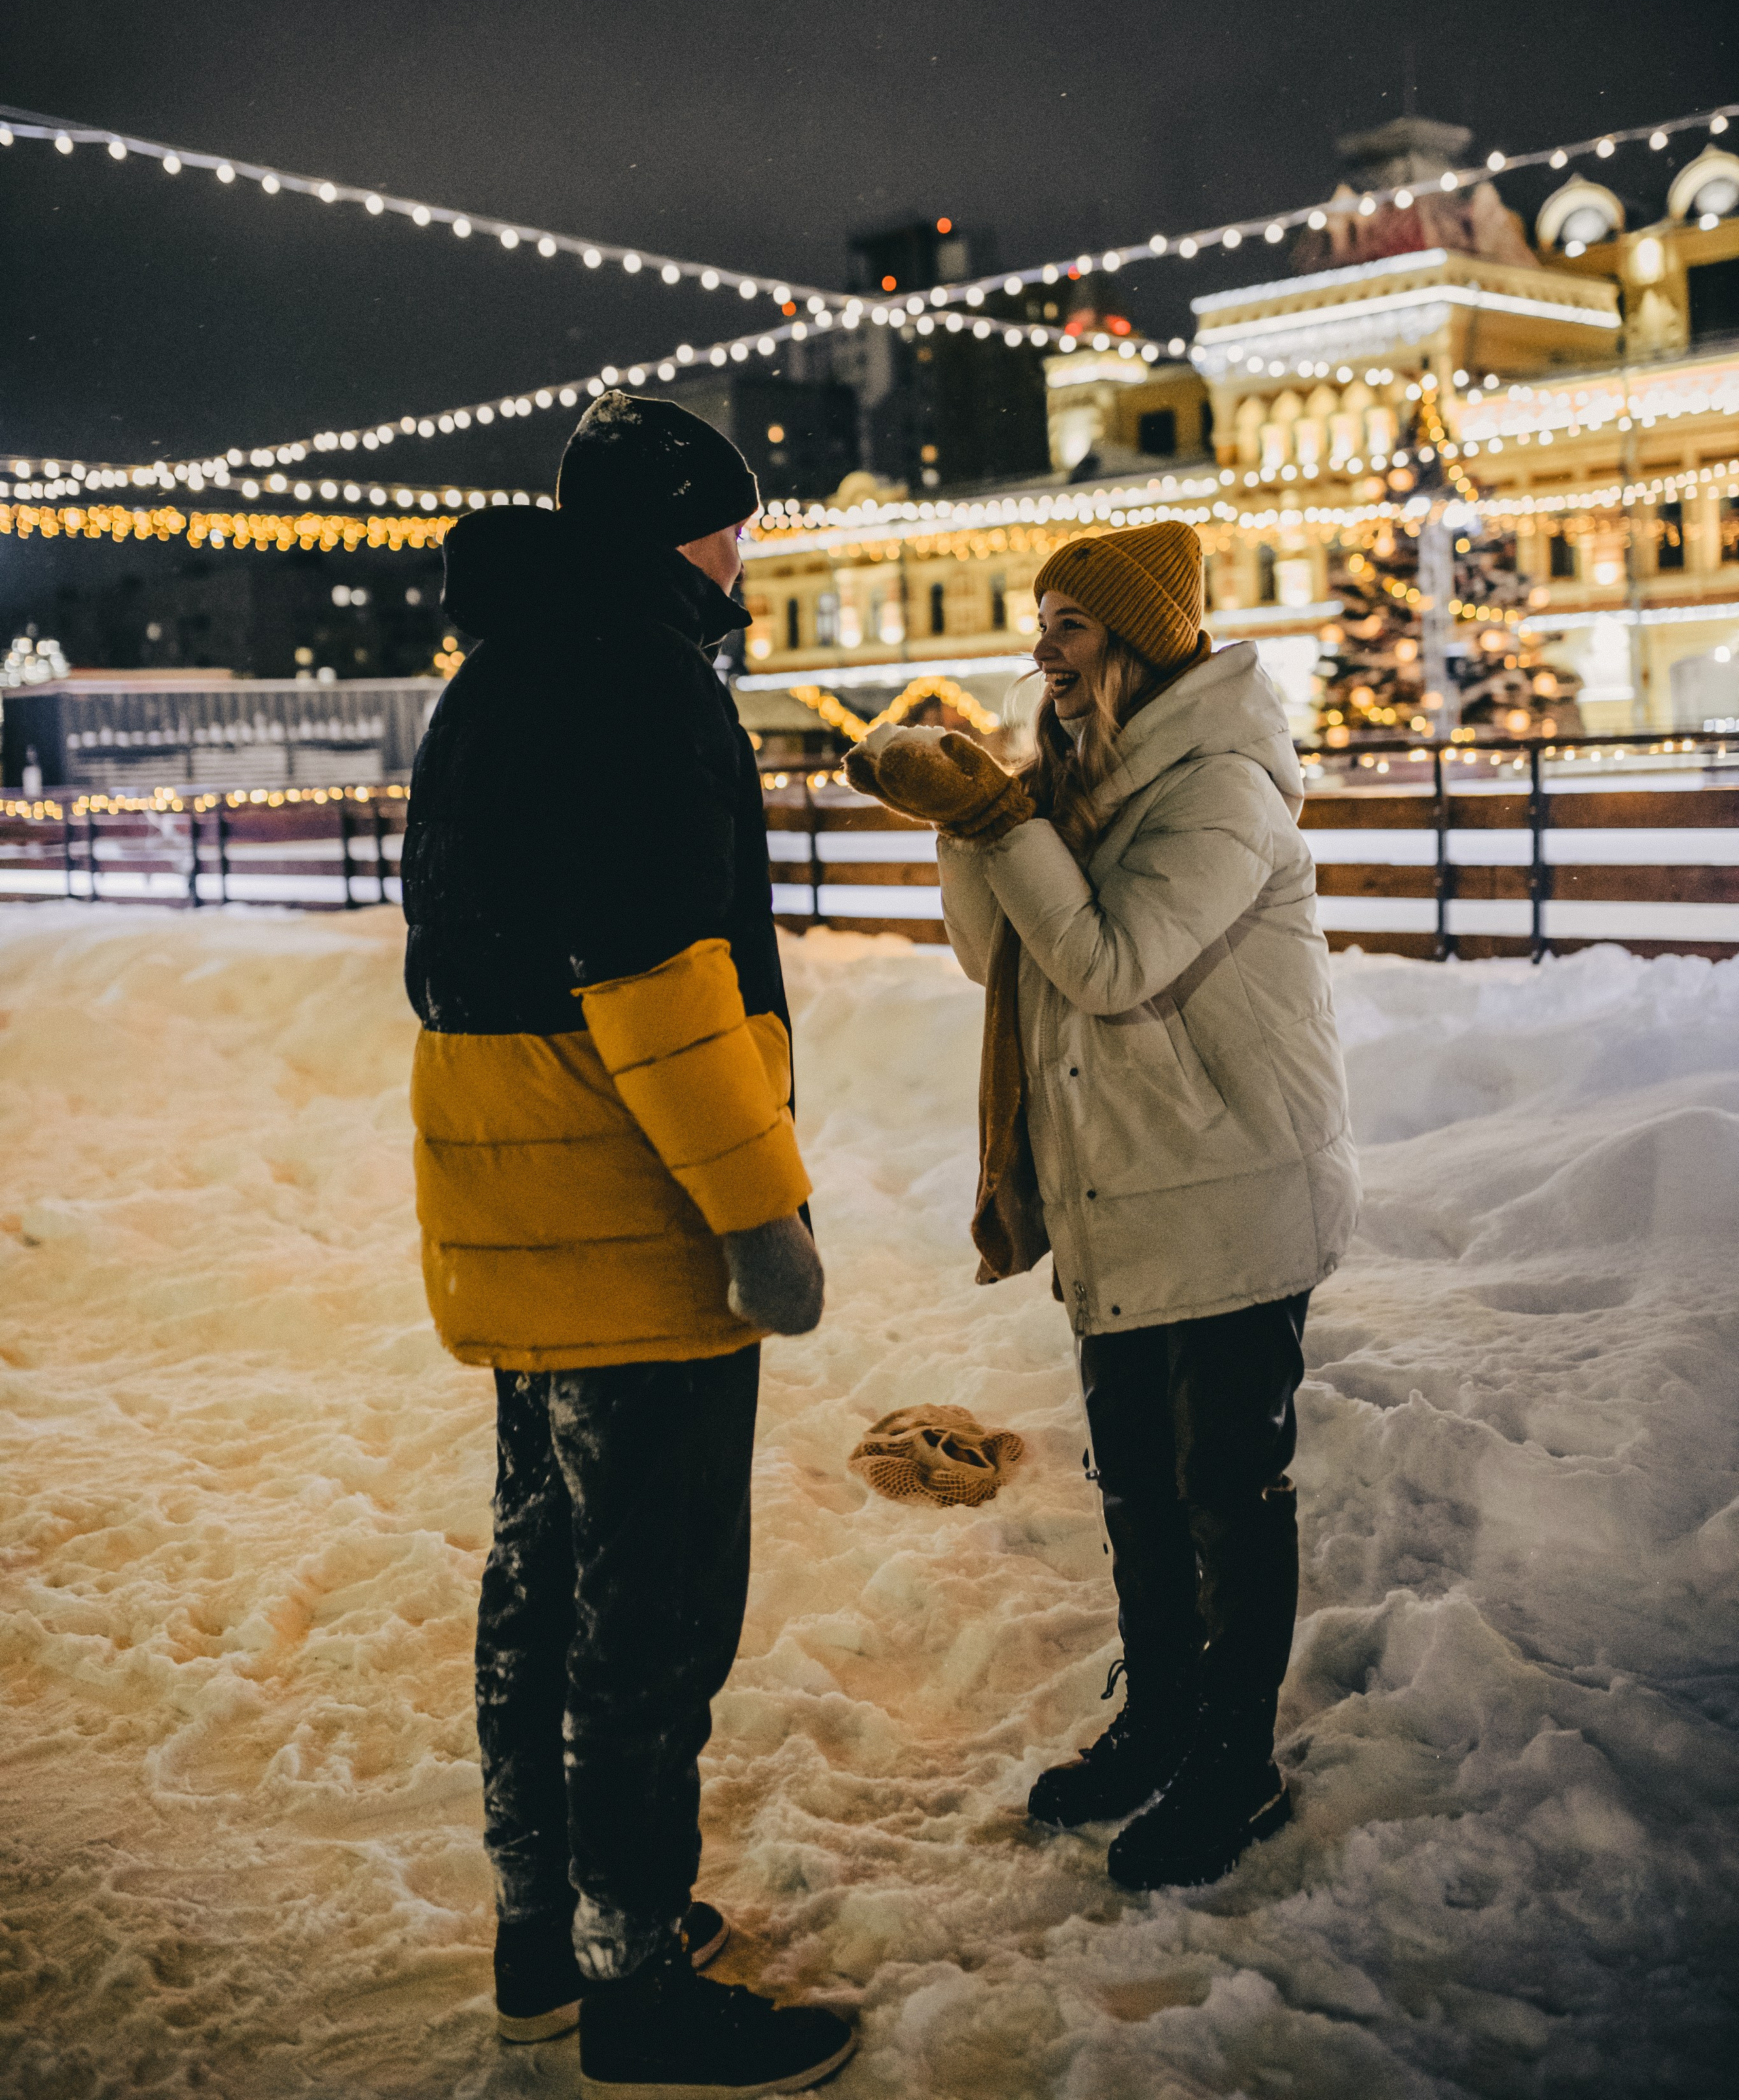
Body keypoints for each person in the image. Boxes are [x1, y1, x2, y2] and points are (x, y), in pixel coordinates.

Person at [401, 392, 855, 2093]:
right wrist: (760, 1217)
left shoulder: (495, 672)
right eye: (732, 520)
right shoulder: (644, 683)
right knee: (650, 1622)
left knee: (536, 1583)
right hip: (631, 1211)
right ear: (682, 524)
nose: (745, 553)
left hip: (517, 1210)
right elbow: (665, 986)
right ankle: (636, 1990)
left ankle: (549, 1946)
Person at [848, 519, 1358, 1891]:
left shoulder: (1220, 789)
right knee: (1134, 1483)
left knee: (1224, 1494)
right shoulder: (1071, 775)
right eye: (1041, 623)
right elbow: (992, 960)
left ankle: (1233, 1766)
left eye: (1067, 626)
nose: (1040, 652)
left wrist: (1002, 820)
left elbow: (1114, 963)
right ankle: (1165, 1724)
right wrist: (973, 820)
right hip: (1116, 1180)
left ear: (1134, 637)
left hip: (1228, 1184)